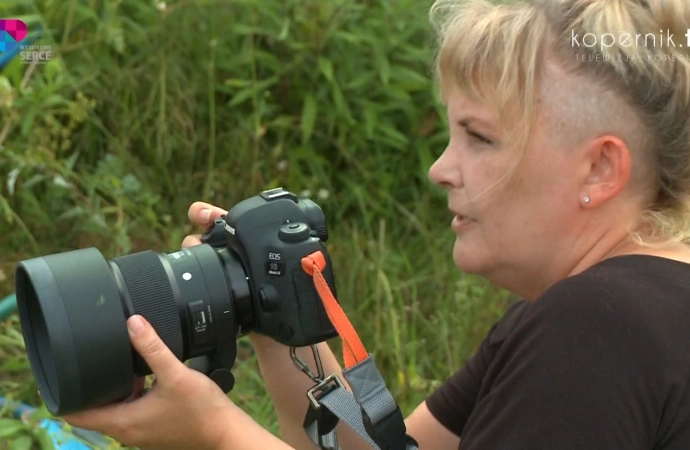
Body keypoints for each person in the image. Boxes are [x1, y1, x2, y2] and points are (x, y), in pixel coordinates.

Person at [61, 0, 690, 448]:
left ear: (599, 170)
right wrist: (273, 305)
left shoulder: (595, 330)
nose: (441, 169)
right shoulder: (615, 316)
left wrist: (215, 434)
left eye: (479, 137)